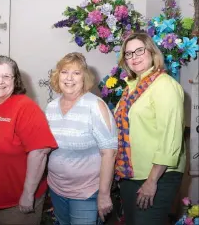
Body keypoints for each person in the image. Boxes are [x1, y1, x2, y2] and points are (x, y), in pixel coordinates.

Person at [0, 55, 58, 225]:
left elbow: (39, 152)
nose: (0, 81)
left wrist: (28, 194)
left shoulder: (26, 107)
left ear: (15, 79)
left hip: (17, 201)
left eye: (6, 76)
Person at [114, 31, 186, 225]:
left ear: (152, 52)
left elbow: (170, 137)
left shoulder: (164, 85)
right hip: (131, 174)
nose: (134, 57)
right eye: (129, 54)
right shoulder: (131, 88)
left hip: (158, 176)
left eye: (139, 50)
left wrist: (152, 180)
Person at [45, 52, 118, 225]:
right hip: (57, 188)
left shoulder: (95, 105)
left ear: (84, 77)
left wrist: (104, 194)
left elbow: (110, 153)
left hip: (87, 192)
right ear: (58, 75)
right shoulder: (51, 107)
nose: (69, 78)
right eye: (64, 72)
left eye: (76, 73)